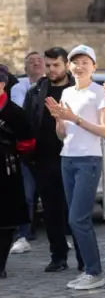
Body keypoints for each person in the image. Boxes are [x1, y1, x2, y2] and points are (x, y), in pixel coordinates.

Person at [47, 44, 105, 290]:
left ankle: (94, 271)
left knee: (78, 218)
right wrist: (59, 119)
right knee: (76, 219)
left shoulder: (100, 93)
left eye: (85, 61)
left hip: (88, 159)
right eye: (75, 62)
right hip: (67, 158)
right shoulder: (67, 94)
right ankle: (89, 269)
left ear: (93, 66)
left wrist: (75, 118)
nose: (79, 66)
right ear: (70, 66)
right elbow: (63, 134)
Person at [22, 47, 75, 273]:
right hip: (43, 160)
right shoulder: (36, 91)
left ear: (66, 65)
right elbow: (26, 123)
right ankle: (58, 257)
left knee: (75, 211)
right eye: (49, 65)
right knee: (52, 211)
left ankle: (85, 260)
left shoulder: (76, 90)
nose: (52, 69)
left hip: (73, 157)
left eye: (56, 65)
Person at [0, 65, 35, 278]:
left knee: (5, 220)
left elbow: (28, 142)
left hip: (6, 169)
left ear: (2, 85)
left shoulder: (15, 112)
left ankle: (1, 264)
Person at [10, 50, 44, 254]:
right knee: (27, 194)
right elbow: (21, 111)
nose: (36, 64)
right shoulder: (19, 87)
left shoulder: (53, 86)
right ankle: (23, 235)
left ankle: (62, 236)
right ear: (25, 68)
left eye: (39, 61)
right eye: (31, 61)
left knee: (53, 196)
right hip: (27, 149)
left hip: (49, 150)